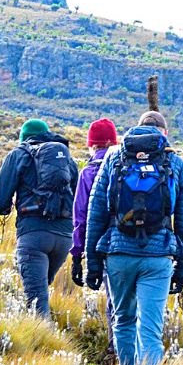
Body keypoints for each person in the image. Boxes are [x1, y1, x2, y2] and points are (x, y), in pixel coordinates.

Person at [84, 111, 183, 365]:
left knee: (123, 320)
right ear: (164, 133)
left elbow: (96, 212)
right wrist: (182, 269)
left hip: (118, 253)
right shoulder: (176, 163)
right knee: (150, 330)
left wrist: (91, 262)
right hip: (158, 258)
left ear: (137, 129)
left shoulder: (114, 158)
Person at [0, 119, 79, 317]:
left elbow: (0, 198)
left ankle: (44, 343)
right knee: (41, 288)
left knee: (36, 302)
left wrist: (6, 209)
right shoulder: (66, 159)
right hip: (64, 236)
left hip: (33, 234)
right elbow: (75, 198)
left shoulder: (18, 155)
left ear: (24, 138)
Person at [71, 118, 118, 331]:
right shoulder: (123, 166)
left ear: (93, 144)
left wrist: (77, 256)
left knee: (115, 300)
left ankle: (115, 350)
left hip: (103, 246)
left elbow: (80, 218)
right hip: (134, 239)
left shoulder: (88, 173)